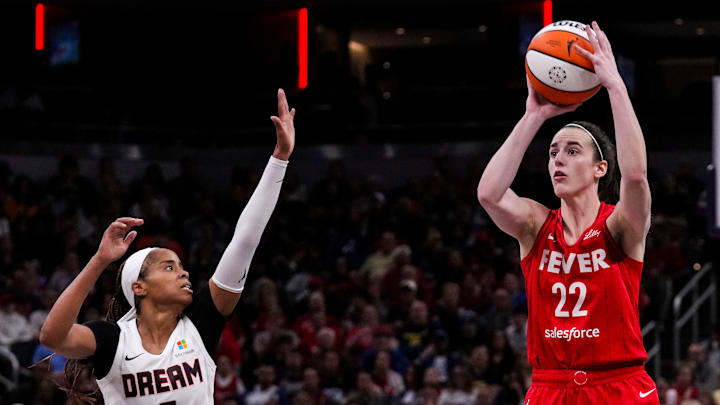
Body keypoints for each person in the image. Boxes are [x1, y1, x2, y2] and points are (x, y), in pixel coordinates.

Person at [38, 88, 297, 404]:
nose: (184, 273)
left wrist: (280, 158)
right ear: (140, 287)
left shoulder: (201, 323)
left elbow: (245, 240)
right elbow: (53, 336)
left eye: (181, 265)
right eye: (169, 266)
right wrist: (99, 259)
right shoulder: (113, 339)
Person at [477, 22, 657, 404]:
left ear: (600, 168)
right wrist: (534, 117)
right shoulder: (535, 226)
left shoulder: (620, 225)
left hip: (618, 384)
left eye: (572, 151)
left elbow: (637, 175)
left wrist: (615, 87)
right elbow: (489, 194)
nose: (558, 158)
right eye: (553, 152)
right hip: (550, 386)